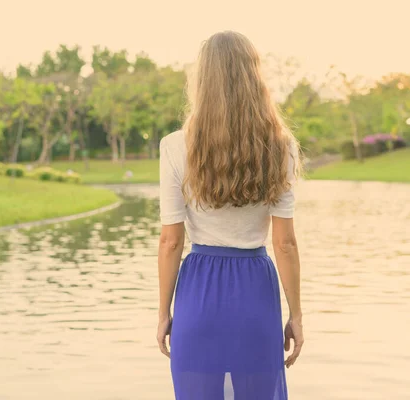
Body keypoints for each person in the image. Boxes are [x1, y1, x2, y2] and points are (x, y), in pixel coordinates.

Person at [157, 31, 303, 400]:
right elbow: (284, 243)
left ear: (201, 80)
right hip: (254, 290)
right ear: (254, 77)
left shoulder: (175, 146)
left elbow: (171, 241)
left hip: (198, 293)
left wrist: (163, 313)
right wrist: (296, 315)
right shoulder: (281, 147)